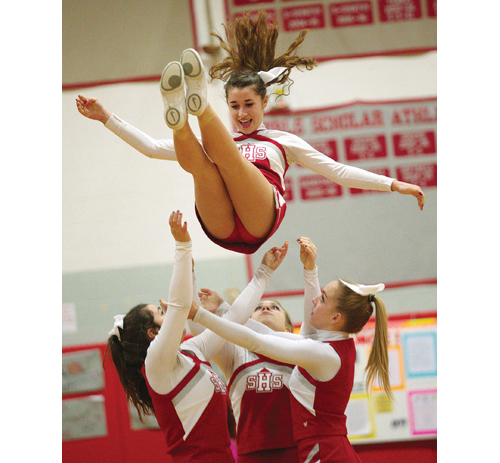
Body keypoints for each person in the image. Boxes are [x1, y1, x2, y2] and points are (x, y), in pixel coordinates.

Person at [76, 11, 425, 255]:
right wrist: (106, 116)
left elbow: (337, 171)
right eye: (234, 106)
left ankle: (197, 107)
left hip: (261, 217)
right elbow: (152, 148)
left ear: (264, 103)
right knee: (200, 164)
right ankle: (181, 113)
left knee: (227, 159)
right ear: (228, 106)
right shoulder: (223, 143)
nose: (242, 113)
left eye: (248, 105)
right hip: (222, 227)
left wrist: (393, 183)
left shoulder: (282, 142)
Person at [188, 237, 392, 463]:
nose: (315, 299)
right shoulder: (323, 346)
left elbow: (259, 341)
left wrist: (201, 315)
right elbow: (270, 336)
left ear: (336, 317)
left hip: (325, 453)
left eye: (322, 298)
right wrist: (224, 308)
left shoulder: (322, 353)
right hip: (312, 451)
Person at [106, 210, 288, 463]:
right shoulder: (156, 363)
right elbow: (181, 306)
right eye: (160, 312)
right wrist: (182, 247)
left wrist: (264, 272)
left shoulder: (193, 350)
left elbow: (233, 319)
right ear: (153, 333)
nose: (166, 308)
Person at [196, 290, 300, 463]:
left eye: (275, 307)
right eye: (258, 308)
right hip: (251, 454)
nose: (266, 307)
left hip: (294, 451)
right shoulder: (235, 355)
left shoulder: (302, 354)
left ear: (288, 329)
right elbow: (200, 335)